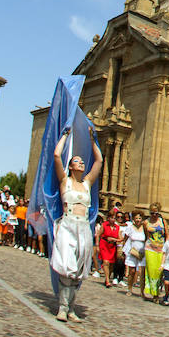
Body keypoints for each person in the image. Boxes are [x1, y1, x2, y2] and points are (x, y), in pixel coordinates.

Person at [50, 129, 103, 322]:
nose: (81, 163)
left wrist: (92, 139)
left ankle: (71, 308)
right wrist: (64, 135)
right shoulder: (65, 182)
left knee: (78, 271)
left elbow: (99, 161)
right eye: (77, 161)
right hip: (68, 225)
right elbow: (57, 155)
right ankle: (62, 308)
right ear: (71, 167)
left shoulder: (87, 183)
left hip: (83, 228)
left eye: (81, 161)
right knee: (67, 267)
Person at [98, 208, 122, 288]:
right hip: (104, 244)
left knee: (111, 265)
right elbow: (99, 235)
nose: (113, 219)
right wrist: (97, 245)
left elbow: (120, 238)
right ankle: (108, 280)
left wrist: (114, 239)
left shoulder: (117, 227)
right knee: (106, 262)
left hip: (112, 246)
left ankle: (107, 277)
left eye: (115, 218)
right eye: (112, 218)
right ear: (108, 218)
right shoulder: (104, 225)